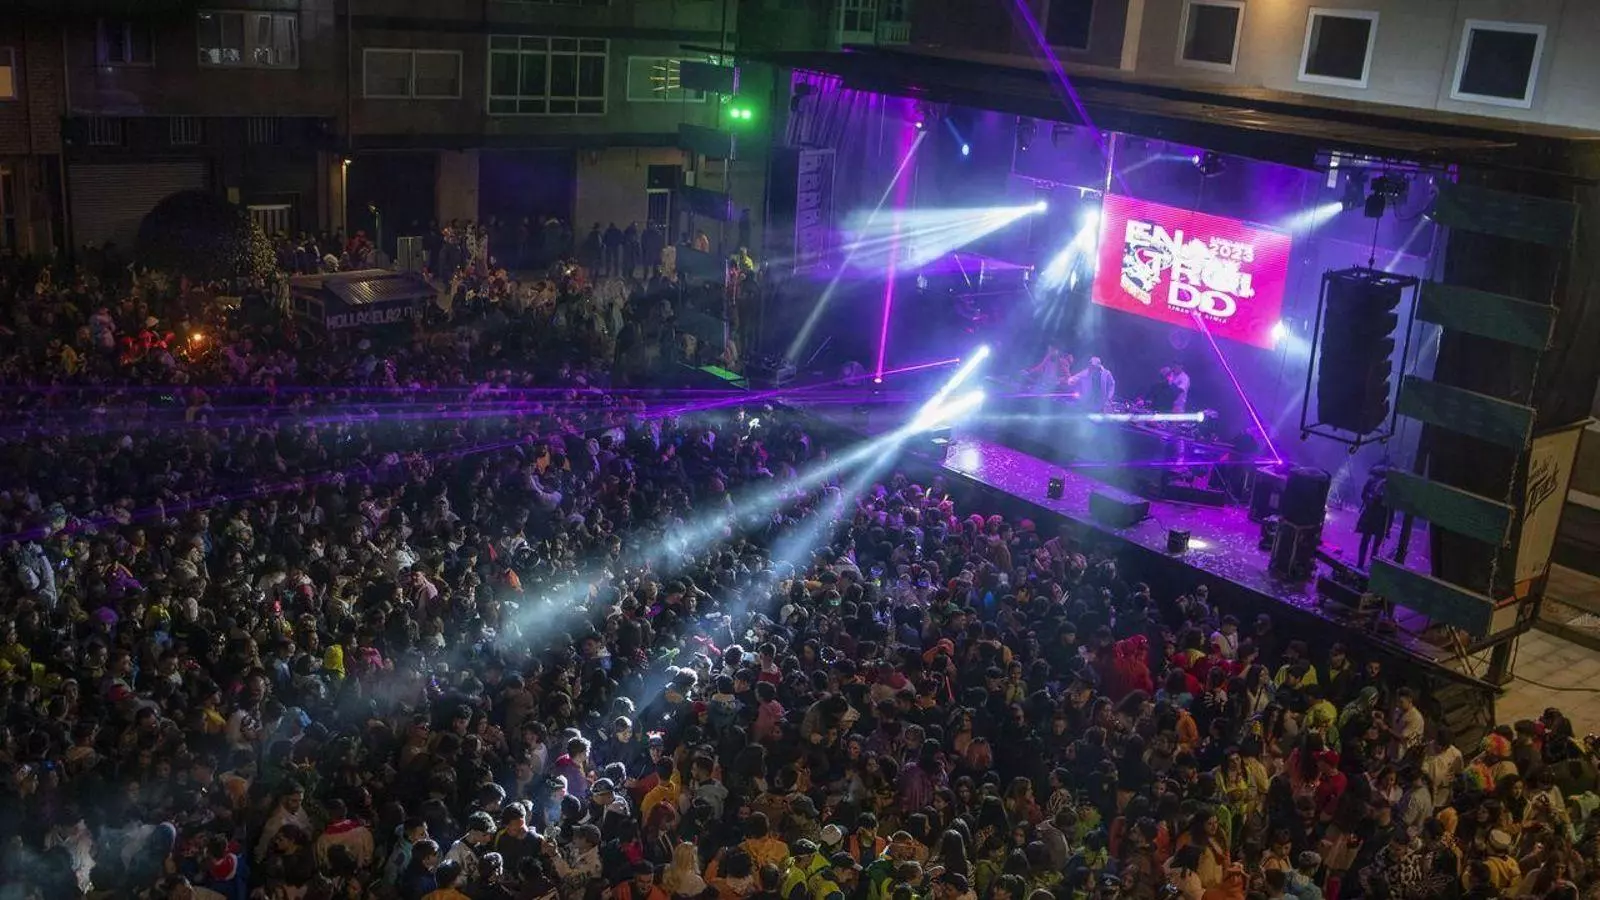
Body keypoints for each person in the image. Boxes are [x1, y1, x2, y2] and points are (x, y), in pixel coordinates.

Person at [1356, 466, 1392, 569]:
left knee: (1367, 542)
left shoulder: (1375, 482)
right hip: (1377, 517)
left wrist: (1370, 499)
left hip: (1373, 516)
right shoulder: (1386, 485)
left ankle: (1362, 565)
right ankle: (1368, 566)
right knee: (1373, 544)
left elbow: (1364, 495)